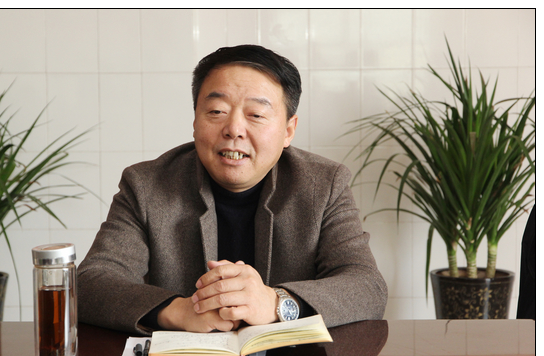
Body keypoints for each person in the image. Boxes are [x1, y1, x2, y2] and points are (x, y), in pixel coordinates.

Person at [77, 44, 387, 335]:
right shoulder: (146, 185)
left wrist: (275, 303)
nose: (234, 129)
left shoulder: (324, 184)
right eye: (216, 111)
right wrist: (178, 311)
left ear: (288, 130)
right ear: (195, 120)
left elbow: (366, 286)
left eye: (256, 115)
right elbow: (90, 283)